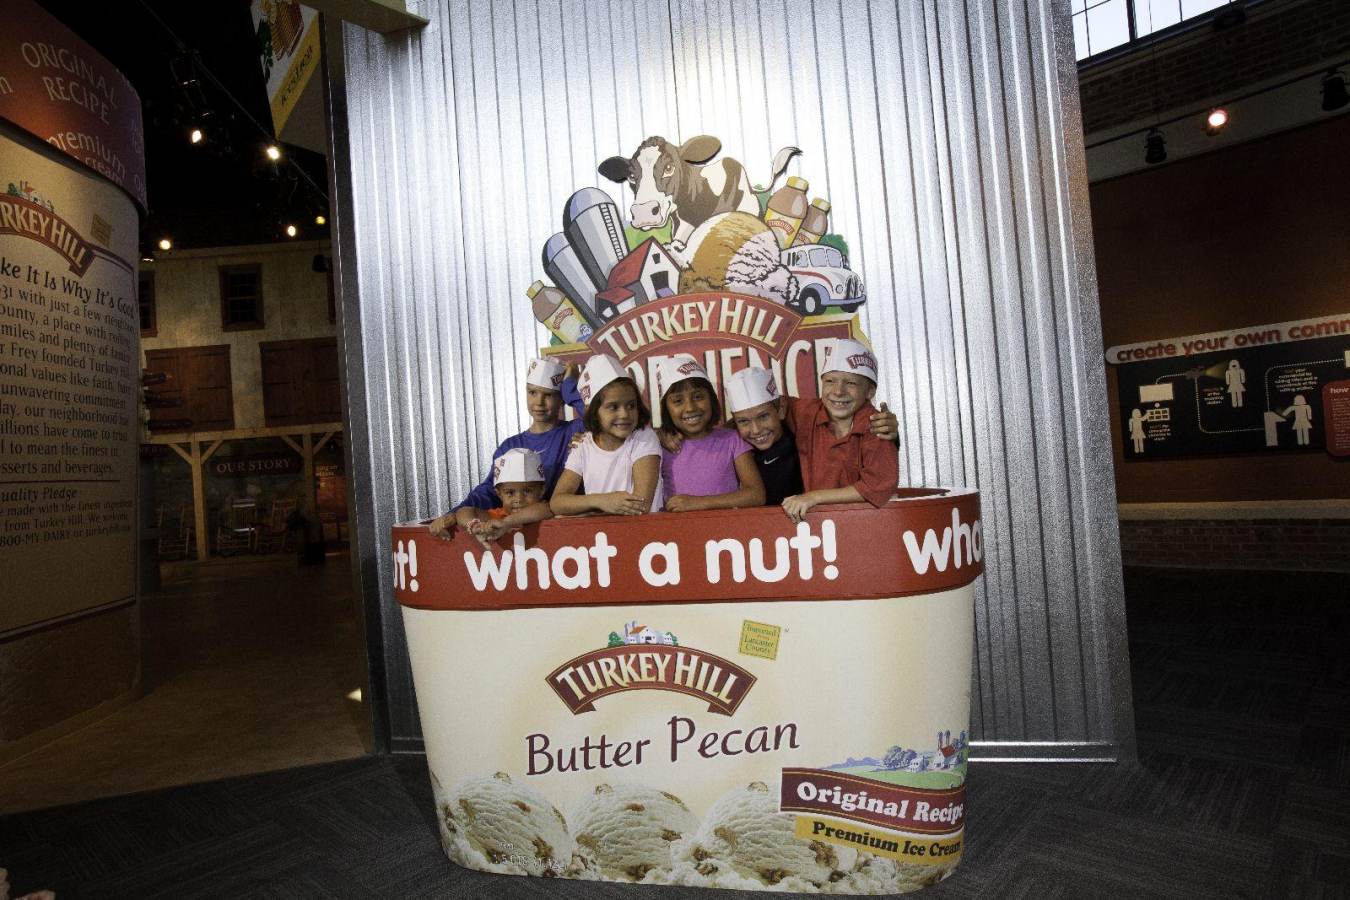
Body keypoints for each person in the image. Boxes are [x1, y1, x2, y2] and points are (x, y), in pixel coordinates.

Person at [428, 357, 581, 538]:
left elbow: (599, 418)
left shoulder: (574, 430)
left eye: (548, 395)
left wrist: (571, 388)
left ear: (561, 398)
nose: (539, 402)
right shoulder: (510, 446)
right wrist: (452, 514)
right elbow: (488, 491)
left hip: (565, 532)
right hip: (517, 537)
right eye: (532, 392)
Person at [780, 338, 899, 522]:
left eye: (851, 383)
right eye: (830, 381)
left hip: (865, 526)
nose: (838, 391)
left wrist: (813, 497)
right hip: (817, 528)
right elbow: (763, 407)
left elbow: (876, 486)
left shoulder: (878, 426)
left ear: (870, 391)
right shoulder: (806, 412)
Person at [551, 354, 664, 516]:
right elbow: (557, 502)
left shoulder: (643, 438)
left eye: (631, 405)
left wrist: (586, 513)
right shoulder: (583, 444)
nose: (625, 414)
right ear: (592, 411)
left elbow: (640, 506)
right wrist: (601, 501)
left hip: (647, 537)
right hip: (602, 539)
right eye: (613, 407)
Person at [656, 355, 764, 512]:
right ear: (666, 409)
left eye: (698, 397)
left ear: (712, 399)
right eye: (678, 401)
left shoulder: (732, 439)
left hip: (726, 534)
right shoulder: (661, 445)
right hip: (676, 533)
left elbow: (756, 494)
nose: (691, 408)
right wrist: (657, 435)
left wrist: (698, 503)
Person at [441, 447, 553, 547]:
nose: (518, 499)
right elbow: (464, 511)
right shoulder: (498, 516)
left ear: (542, 491)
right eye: (510, 493)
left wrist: (507, 523)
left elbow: (546, 509)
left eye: (527, 491)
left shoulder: (542, 509)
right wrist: (475, 526)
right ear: (499, 494)